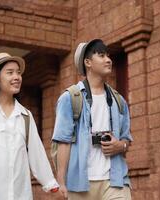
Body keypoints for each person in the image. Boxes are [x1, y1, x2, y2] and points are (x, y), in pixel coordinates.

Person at [0, 52, 59, 200]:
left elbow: (37, 154)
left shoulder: (25, 115)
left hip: (21, 195)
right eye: (10, 73)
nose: (17, 77)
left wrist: (52, 185)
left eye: (18, 73)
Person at [52, 39, 133, 199]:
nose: (108, 60)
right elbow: (63, 141)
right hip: (80, 184)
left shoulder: (118, 100)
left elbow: (126, 140)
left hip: (115, 181)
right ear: (88, 62)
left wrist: (120, 145)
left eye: (108, 56)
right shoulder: (70, 98)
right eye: (101, 55)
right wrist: (61, 182)